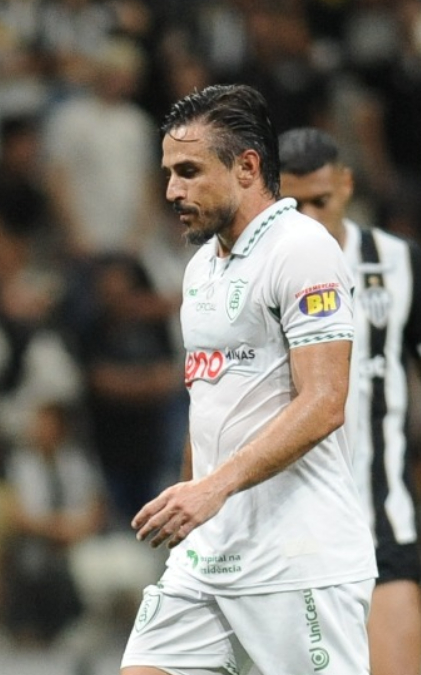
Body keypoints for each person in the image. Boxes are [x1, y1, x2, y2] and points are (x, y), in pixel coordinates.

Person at [122, 85, 377, 675]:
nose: (171, 191)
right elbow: (208, 404)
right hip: (208, 556)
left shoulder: (302, 251)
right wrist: (192, 499)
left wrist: (214, 488)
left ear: (247, 167)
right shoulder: (200, 269)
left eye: (188, 171)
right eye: (168, 173)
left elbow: (324, 402)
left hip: (299, 561)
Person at [278, 127, 421, 675]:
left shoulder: (399, 264)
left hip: (379, 523)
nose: (307, 215)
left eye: (319, 201)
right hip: (280, 535)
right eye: (292, 203)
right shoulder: (250, 271)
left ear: (347, 186)